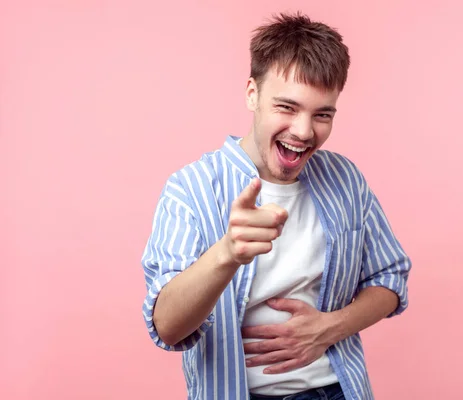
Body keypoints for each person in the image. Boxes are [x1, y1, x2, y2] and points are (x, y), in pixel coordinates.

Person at [141, 11, 412, 400]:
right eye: (287, 107)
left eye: (322, 114)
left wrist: (330, 327)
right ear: (252, 93)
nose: (304, 132)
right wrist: (227, 254)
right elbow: (166, 327)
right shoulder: (190, 189)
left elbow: (390, 278)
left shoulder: (345, 179)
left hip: (337, 391)